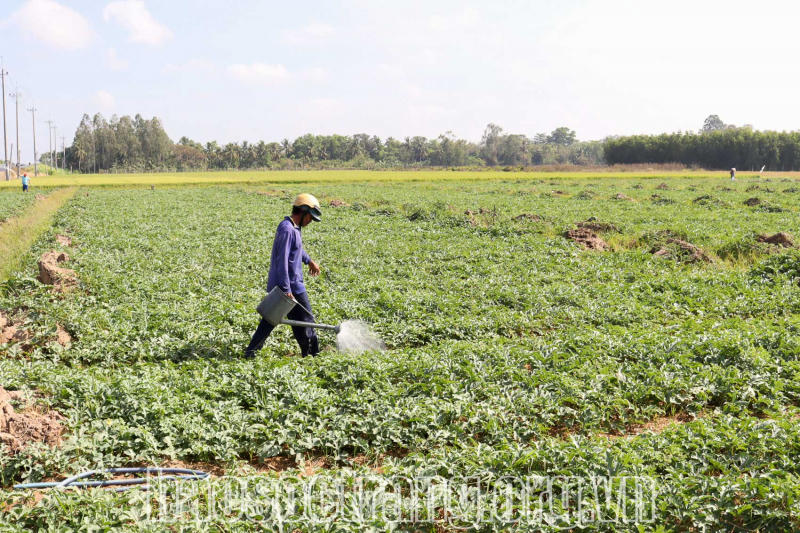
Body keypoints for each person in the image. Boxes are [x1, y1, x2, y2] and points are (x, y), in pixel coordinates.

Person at [245, 194, 323, 359]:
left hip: (287, 285)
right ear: (302, 211)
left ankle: (250, 353)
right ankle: (315, 356)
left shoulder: (294, 227)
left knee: (279, 321)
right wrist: (286, 288)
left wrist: (309, 261)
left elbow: (297, 249)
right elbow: (282, 261)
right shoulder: (287, 229)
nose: (311, 221)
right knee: (307, 320)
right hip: (290, 286)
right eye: (310, 216)